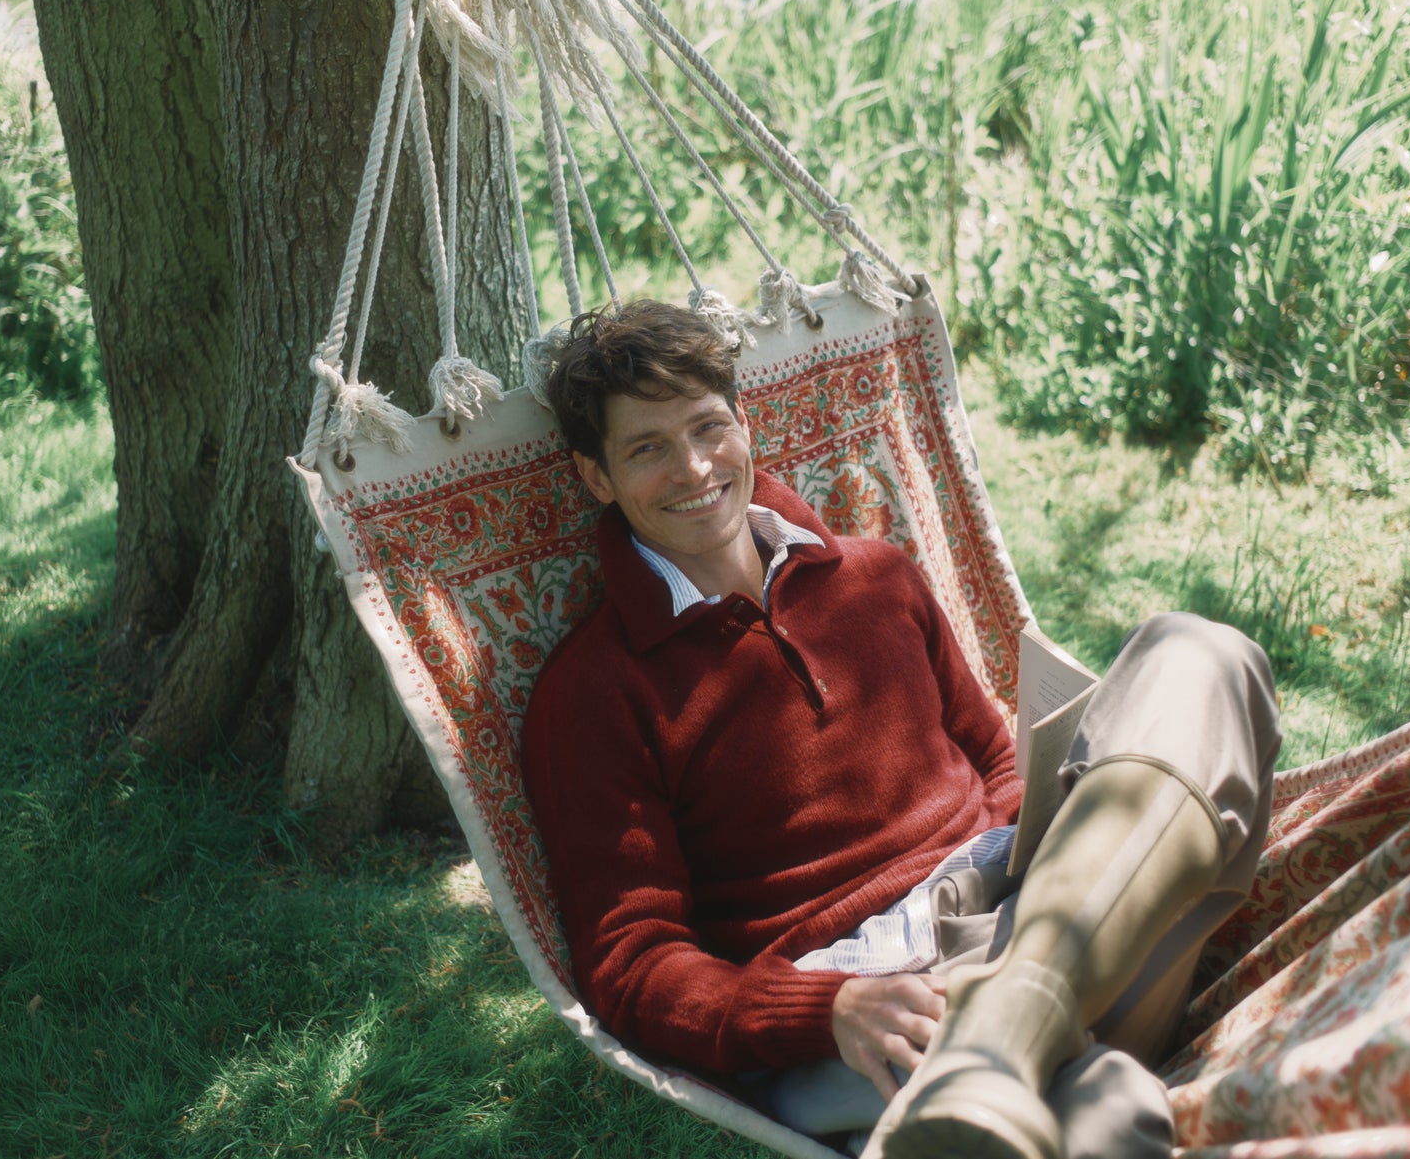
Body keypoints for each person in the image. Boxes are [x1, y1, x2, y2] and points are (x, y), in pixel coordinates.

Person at [522, 300, 1281, 1158]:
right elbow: (634, 960)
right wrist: (827, 1009)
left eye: (707, 427)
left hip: (1041, 911)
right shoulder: (593, 693)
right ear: (596, 476)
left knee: (1199, 654)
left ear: (745, 423)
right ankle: (1016, 1045)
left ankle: (1021, 1015)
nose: (694, 466)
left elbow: (994, 756)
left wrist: (1055, 859)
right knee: (1105, 1110)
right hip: (869, 1006)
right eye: (648, 448)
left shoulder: (876, 576)